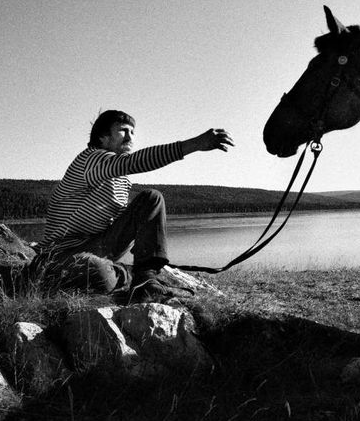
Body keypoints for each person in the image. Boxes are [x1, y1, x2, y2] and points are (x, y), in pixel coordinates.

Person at [34, 110, 234, 301]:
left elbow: (125, 225)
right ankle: (124, 274)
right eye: (123, 130)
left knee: (151, 199)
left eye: (132, 132)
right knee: (100, 274)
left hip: (98, 246)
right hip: (63, 254)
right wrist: (195, 144)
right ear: (102, 137)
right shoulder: (92, 159)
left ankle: (147, 280)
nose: (130, 137)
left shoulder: (120, 177)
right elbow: (135, 162)